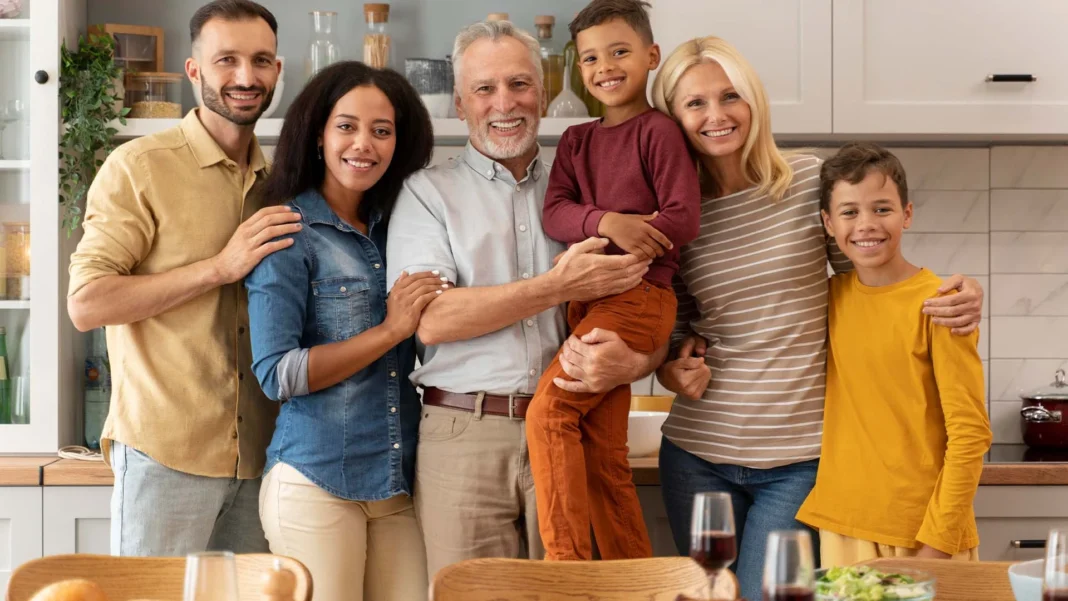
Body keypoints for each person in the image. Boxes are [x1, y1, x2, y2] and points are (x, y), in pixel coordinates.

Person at [540, 36, 985, 601]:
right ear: (673, 116)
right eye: (694, 103)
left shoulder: (804, 184)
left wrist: (962, 290)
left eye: (730, 96)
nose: (716, 115)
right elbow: (668, 319)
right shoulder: (673, 215)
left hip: (800, 463)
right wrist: (670, 368)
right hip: (698, 455)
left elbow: (877, 273)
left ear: (754, 101)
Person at [385, 19, 654, 581]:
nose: (504, 103)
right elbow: (432, 321)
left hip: (573, 426)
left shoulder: (586, 192)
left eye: (519, 84)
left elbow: (644, 301)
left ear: (544, 92)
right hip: (463, 436)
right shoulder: (425, 193)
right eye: (485, 89)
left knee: (577, 595)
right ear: (461, 104)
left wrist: (642, 361)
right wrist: (558, 286)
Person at [66, 0, 295, 556]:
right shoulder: (139, 169)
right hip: (165, 457)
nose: (246, 77)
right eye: (227, 61)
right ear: (195, 71)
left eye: (261, 61)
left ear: (277, 72)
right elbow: (87, 303)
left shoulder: (284, 180)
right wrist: (219, 268)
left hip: (266, 461)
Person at [245, 61, 437, 601]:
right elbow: (277, 373)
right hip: (314, 482)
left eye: (382, 130)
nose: (364, 144)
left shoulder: (402, 224)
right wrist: (390, 329)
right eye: (347, 126)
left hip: (397, 482)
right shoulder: (288, 229)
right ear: (318, 134)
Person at [526, 0, 700, 562]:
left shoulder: (661, 132)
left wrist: (633, 234)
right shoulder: (577, 141)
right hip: (592, 303)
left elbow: (683, 217)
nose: (605, 66)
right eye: (590, 57)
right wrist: (610, 221)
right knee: (603, 457)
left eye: (620, 51)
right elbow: (555, 211)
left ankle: (567, 572)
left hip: (640, 299)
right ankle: (633, 584)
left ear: (651, 56)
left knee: (548, 414)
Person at [796, 142, 992, 566]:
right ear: (828, 223)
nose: (866, 224)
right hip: (843, 528)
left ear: (907, 214)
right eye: (849, 212)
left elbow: (971, 434)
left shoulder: (941, 304)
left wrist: (935, 547)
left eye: (881, 209)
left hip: (923, 535)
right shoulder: (826, 299)